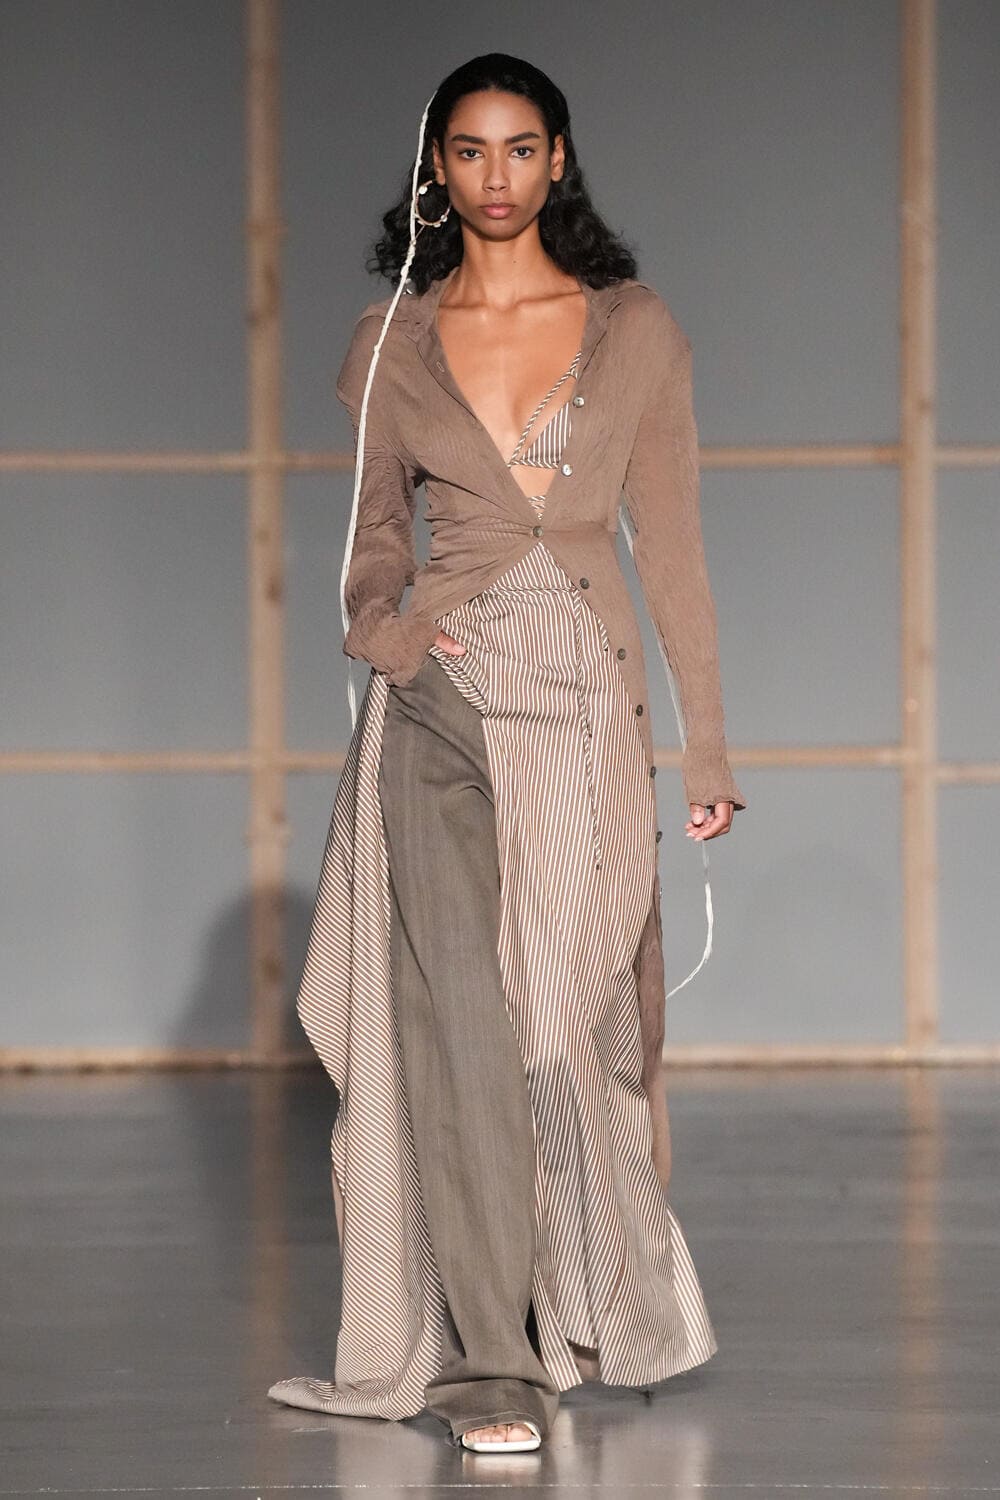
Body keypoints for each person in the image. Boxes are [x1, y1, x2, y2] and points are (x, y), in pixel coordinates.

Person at [268, 53, 747, 1454]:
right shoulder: (391, 343)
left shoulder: (635, 327)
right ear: (437, 167)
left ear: (558, 160)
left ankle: (562, 1310)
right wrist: (394, 640)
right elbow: (372, 538)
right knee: (456, 1032)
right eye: (469, 151)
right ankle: (490, 1362)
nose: (495, 175)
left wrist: (708, 746)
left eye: (520, 148)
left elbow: (673, 544)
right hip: (439, 703)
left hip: (586, 706)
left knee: (565, 1031)